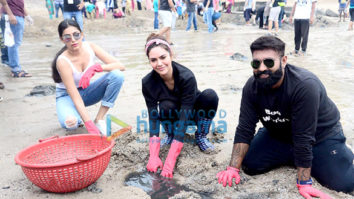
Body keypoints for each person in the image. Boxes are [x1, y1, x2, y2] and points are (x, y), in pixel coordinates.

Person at [216, 36, 354, 198]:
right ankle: (293, 157)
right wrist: (232, 168)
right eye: (256, 63)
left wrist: (303, 183)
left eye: (268, 62)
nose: (261, 68)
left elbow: (304, 137)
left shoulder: (304, 85)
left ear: (283, 60)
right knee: (250, 164)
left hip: (320, 137)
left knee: (343, 184)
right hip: (278, 135)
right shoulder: (251, 87)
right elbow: (245, 128)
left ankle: (341, 153)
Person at [143, 33, 219, 178]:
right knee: (165, 106)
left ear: (170, 54)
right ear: (149, 61)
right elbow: (153, 117)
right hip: (172, 115)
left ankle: (201, 136)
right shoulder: (147, 83)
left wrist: (170, 160)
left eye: (163, 57)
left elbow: (186, 114)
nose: (159, 63)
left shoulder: (186, 76)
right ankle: (170, 134)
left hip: (192, 113)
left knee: (210, 95)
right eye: (153, 60)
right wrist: (153, 155)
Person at [51, 19, 125, 135]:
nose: (73, 40)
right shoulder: (62, 61)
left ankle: (99, 119)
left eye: (76, 35)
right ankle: (75, 116)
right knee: (71, 124)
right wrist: (89, 125)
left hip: (87, 91)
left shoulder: (90, 47)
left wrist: (96, 68)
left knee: (117, 76)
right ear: (62, 39)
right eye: (67, 37)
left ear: (82, 34)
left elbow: (121, 66)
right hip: (67, 96)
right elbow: (75, 97)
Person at [6, 0, 33, 78]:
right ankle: (15, 70)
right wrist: (10, 15)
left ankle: (10, 63)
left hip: (16, 15)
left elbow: (20, 4)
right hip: (14, 16)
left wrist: (27, 15)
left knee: (10, 42)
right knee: (14, 43)